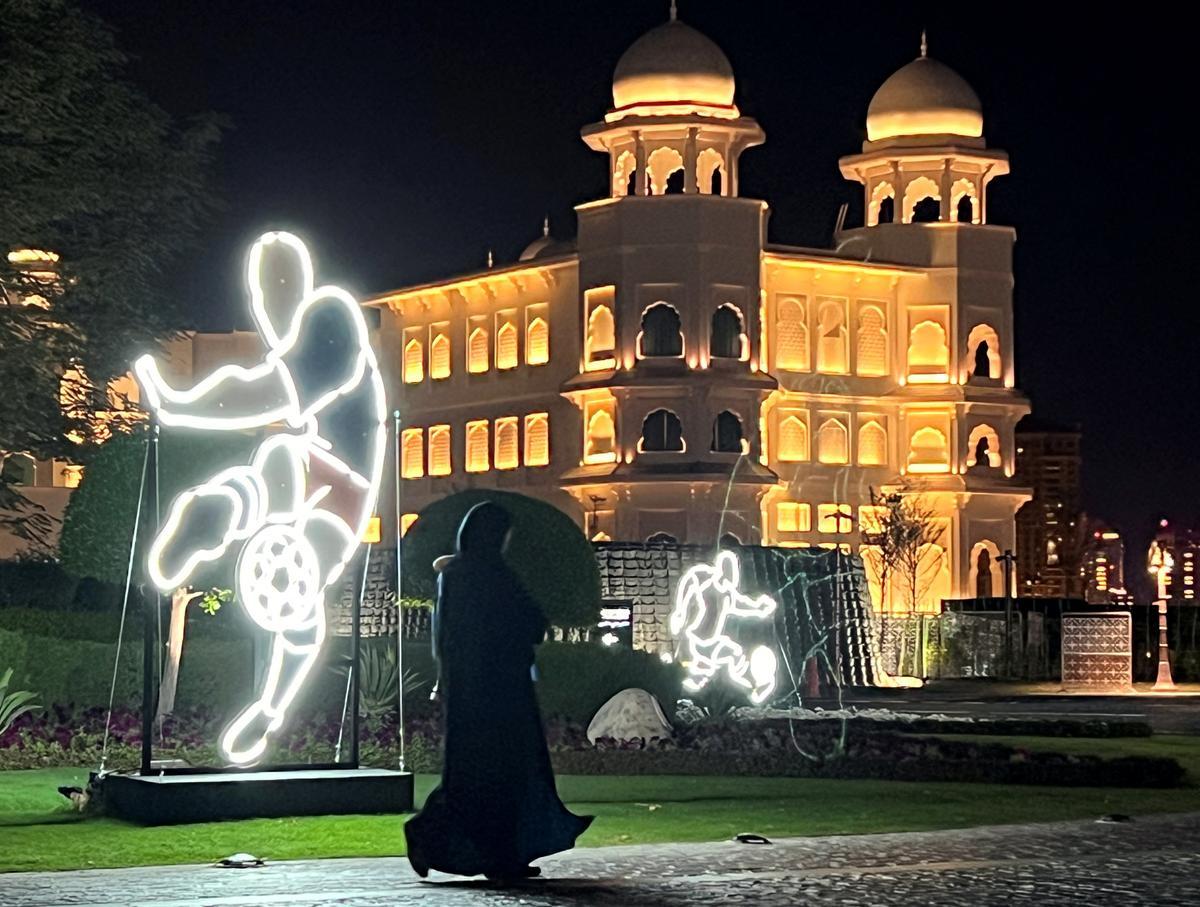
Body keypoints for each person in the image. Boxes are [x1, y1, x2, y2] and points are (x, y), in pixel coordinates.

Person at [405, 502, 592, 880]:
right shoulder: (488, 575)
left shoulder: (465, 575)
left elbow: (448, 640)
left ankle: (499, 855)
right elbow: (527, 622)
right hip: (496, 692)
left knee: (489, 773)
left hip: (482, 691)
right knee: (488, 773)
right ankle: (437, 836)